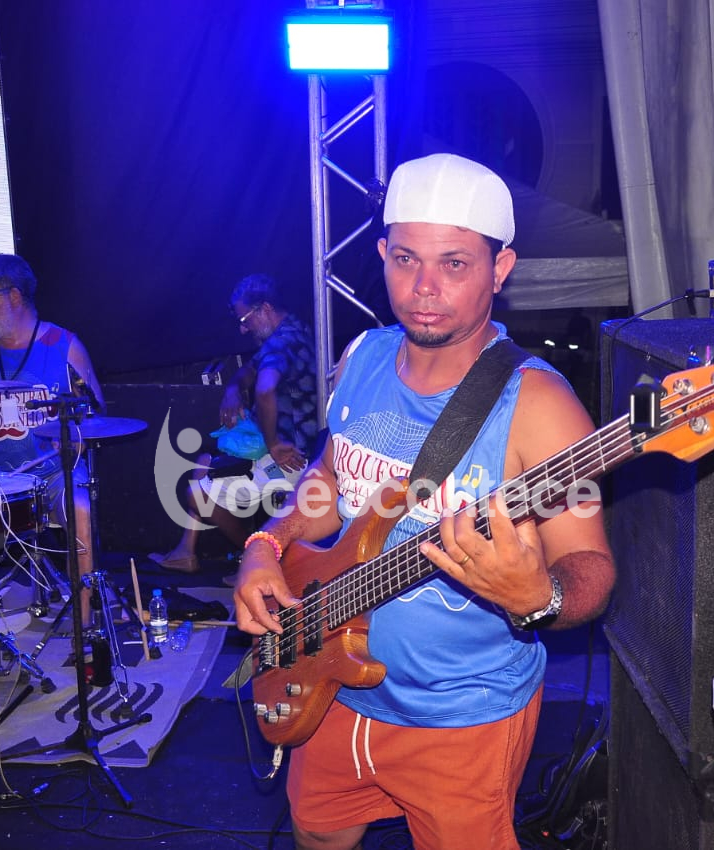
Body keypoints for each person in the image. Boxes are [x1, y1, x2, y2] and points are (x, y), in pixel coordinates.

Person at [232, 153, 616, 850]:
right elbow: (330, 480)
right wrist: (267, 544)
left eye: (455, 264)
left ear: (500, 269)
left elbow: (590, 567)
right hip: (331, 683)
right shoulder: (363, 356)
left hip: (462, 718)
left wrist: (541, 597)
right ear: (383, 254)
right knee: (318, 833)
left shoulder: (541, 406)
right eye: (406, 259)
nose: (425, 288)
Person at [0, 253, 104, 629]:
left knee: (80, 507)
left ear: (13, 295)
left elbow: (96, 415)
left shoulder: (63, 345)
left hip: (52, 476)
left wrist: (74, 435)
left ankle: (84, 620)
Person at [151, 273, 318, 574]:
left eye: (245, 320)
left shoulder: (281, 344)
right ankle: (185, 552)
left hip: (290, 458)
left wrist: (274, 444)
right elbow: (249, 372)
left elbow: (264, 389)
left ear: (265, 308)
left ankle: (265, 562)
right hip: (285, 451)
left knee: (198, 494)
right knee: (205, 461)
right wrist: (232, 390)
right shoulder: (291, 330)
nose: (242, 329)